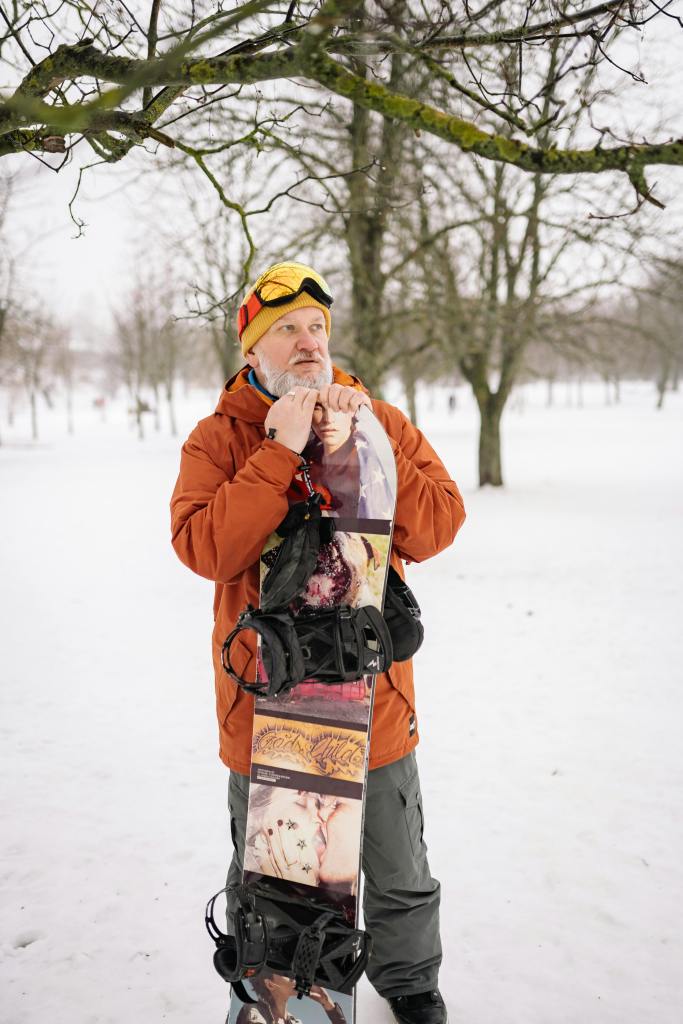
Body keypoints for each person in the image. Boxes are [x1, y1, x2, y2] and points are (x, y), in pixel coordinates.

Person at [170, 261, 466, 1024]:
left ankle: (409, 980)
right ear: (252, 352)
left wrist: (368, 437)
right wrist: (279, 451)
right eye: (285, 330)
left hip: (372, 701)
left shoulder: (383, 419)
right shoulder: (219, 438)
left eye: (316, 328)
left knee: (398, 869)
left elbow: (437, 528)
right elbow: (205, 548)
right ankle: (268, 987)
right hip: (266, 705)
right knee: (274, 872)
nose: (307, 341)